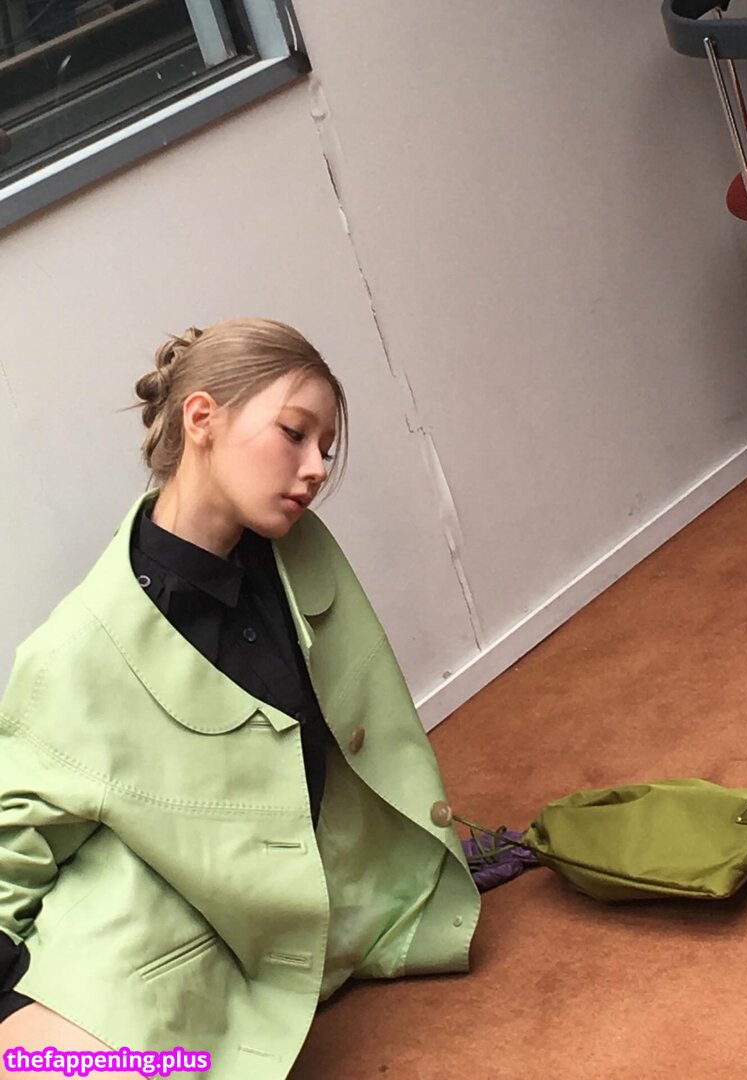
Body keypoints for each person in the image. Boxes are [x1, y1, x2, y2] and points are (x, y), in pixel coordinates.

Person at [0, 317, 481, 1080]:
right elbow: (13, 840)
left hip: (294, 897)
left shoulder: (300, 551)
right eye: (294, 434)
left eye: (326, 447)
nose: (316, 468)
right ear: (202, 419)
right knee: (54, 1063)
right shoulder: (79, 648)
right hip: (153, 902)